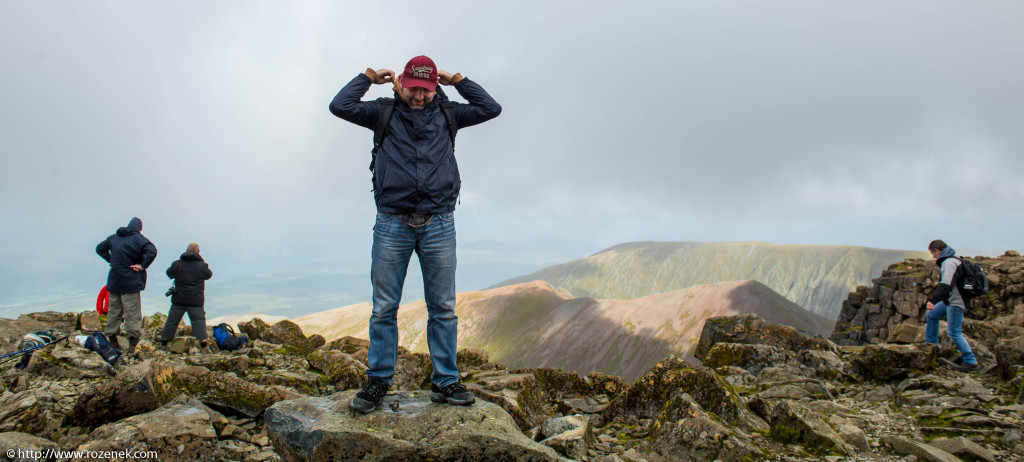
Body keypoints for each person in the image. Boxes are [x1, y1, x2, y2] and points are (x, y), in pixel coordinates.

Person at [329, 55, 501, 413]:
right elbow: (339, 106)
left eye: (425, 89)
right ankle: (378, 381)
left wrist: (459, 81)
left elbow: (491, 107)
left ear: (433, 86)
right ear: (402, 83)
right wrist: (367, 77)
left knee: (443, 309)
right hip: (393, 221)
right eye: (413, 88)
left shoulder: (449, 112)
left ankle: (446, 382)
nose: (419, 96)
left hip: (439, 221)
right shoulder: (382, 111)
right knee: (384, 308)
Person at [96, 217, 157, 353]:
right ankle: (133, 342)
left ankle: (111, 337)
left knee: (114, 310)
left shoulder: (114, 237)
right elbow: (152, 251)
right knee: (132, 313)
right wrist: (142, 266)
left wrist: (111, 260)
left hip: (114, 280)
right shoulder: (139, 239)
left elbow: (99, 248)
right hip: (131, 281)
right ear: (139, 228)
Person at [924, 240, 979, 372]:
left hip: (956, 300)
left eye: (933, 253)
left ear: (937, 251)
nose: (933, 257)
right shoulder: (953, 260)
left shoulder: (949, 263)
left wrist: (933, 300)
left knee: (954, 331)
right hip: (951, 299)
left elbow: (946, 285)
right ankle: (932, 347)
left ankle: (970, 361)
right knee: (932, 314)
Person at [161, 243, 213, 352]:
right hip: (195, 300)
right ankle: (203, 344)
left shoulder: (177, 264)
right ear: (198, 252)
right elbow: (208, 275)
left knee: (172, 321)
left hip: (179, 298)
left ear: (186, 251)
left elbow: (169, 273)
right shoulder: (202, 266)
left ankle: (164, 342)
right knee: (198, 320)